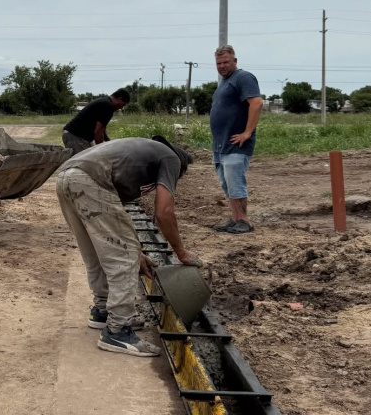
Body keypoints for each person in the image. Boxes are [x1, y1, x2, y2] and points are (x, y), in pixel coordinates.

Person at [56, 135, 202, 357]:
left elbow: (114, 221)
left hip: (67, 176)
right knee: (123, 260)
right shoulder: (171, 159)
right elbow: (164, 212)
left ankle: (103, 311)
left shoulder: (138, 156)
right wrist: (181, 252)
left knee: (96, 252)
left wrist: (136, 250)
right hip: (88, 179)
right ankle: (117, 331)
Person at [209, 45, 263, 234]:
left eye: (225, 62)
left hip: (236, 143)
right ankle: (234, 218)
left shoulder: (243, 77)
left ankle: (244, 220)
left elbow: (256, 103)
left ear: (235, 61)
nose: (222, 66)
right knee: (227, 183)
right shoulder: (224, 82)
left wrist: (247, 132)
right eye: (218, 63)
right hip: (221, 144)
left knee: (235, 182)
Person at [62, 89, 130, 155]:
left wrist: (108, 141)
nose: (121, 108)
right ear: (120, 99)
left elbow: (102, 128)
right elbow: (98, 132)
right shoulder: (108, 106)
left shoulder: (105, 102)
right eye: (123, 105)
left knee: (92, 159)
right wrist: (103, 150)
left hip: (80, 137)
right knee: (84, 164)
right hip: (75, 136)